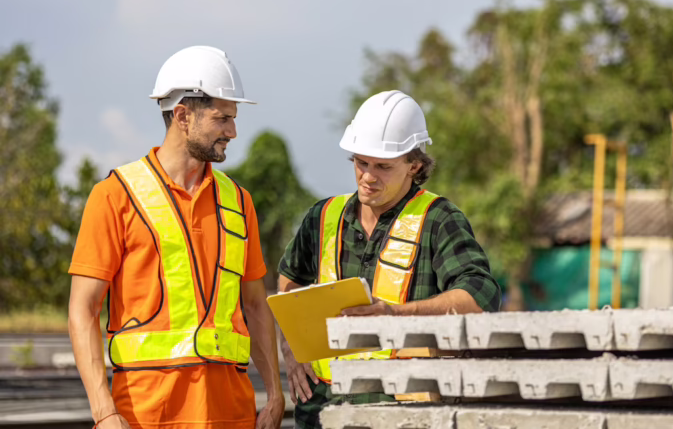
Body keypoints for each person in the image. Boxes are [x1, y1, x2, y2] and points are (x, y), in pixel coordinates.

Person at [68, 46, 285, 429]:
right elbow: (83, 310)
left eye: (233, 119)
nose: (232, 132)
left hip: (231, 414)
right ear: (183, 115)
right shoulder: (115, 196)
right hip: (146, 415)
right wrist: (103, 412)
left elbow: (254, 303)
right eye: (222, 119)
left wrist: (275, 392)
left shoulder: (238, 201)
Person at [277, 90, 502, 428]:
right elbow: (289, 281)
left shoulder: (438, 219)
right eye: (361, 162)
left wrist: (396, 315)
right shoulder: (322, 217)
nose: (368, 177)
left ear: (414, 165)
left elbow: (480, 296)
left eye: (382, 166)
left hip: (404, 415)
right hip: (322, 410)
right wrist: (291, 348)